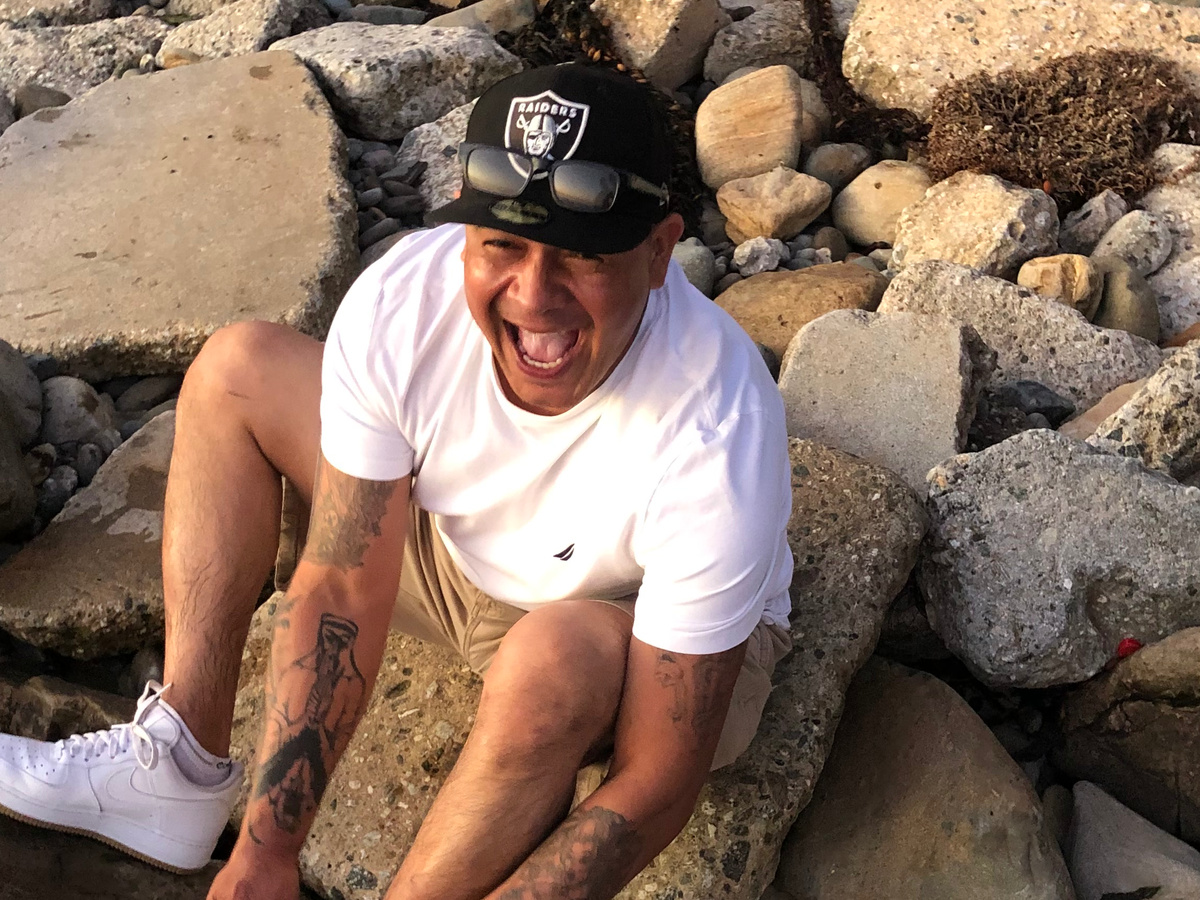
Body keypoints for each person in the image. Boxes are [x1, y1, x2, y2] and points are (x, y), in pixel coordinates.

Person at [0, 63, 794, 900]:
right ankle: (175, 769)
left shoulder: (718, 428)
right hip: (458, 562)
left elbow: (657, 781)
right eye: (503, 245)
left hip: (628, 629)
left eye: (580, 256)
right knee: (238, 371)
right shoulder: (406, 301)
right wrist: (266, 853)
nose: (533, 296)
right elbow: (344, 581)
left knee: (550, 660)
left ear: (660, 250)